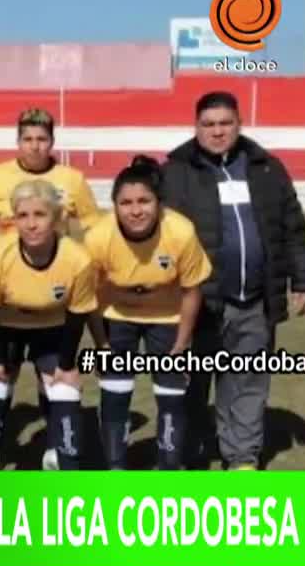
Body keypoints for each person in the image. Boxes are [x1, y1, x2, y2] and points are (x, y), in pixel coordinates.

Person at [161, 91, 305, 471]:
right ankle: (189, 453)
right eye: (209, 125)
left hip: (254, 300)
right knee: (191, 383)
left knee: (248, 382)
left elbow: (293, 228)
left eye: (225, 123)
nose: (217, 132)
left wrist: (304, 279)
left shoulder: (267, 168)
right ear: (196, 127)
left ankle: (242, 459)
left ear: (239, 124)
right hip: (198, 303)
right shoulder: (174, 172)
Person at [0, 107, 101, 469]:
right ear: (17, 142)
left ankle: (58, 454)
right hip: (4, 297)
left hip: (53, 301)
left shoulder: (72, 180)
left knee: (59, 381)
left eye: (41, 139)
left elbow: (94, 228)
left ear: (52, 142)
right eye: (27, 139)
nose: (34, 146)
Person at [83, 156, 212, 470]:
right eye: (125, 202)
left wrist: (181, 344)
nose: (135, 209)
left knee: (170, 394)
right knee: (115, 392)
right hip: (117, 316)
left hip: (168, 317)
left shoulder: (180, 231)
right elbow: (90, 296)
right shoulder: (98, 237)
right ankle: (116, 467)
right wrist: (101, 344)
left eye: (144, 200)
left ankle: (168, 467)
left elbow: (192, 289)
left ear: (159, 203)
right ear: (114, 205)